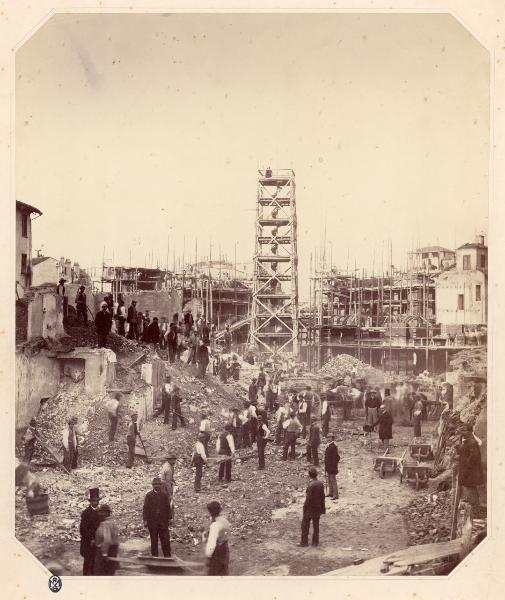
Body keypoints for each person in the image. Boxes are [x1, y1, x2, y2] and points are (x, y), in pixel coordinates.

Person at [143, 477, 172, 557]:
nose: (157, 486)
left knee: (165, 540)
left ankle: (167, 556)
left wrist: (170, 518)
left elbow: (168, 507)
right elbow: (145, 508)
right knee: (154, 540)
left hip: (163, 522)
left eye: (158, 484)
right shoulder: (148, 495)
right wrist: (145, 520)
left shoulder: (164, 495)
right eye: (155, 484)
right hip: (152, 523)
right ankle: (155, 557)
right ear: (152, 485)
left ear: (161, 485)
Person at [299, 466, 326, 547]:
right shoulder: (320, 484)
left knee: (305, 525)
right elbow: (322, 497)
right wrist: (323, 508)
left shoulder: (310, 485)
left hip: (309, 508)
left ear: (309, 475)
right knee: (316, 526)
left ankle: (304, 542)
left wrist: (305, 507)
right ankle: (315, 542)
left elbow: (308, 498)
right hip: (317, 508)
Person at [459, 431, 484, 510]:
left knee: (471, 488)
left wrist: (466, 465)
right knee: (470, 488)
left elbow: (473, 457)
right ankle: (474, 507)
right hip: (468, 471)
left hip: (470, 471)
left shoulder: (471, 444)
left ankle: (475, 509)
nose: (462, 440)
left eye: (463, 438)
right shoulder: (469, 443)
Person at [79, 487, 101, 575]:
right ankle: (85, 578)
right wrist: (91, 539)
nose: (95, 503)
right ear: (90, 502)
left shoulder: (100, 512)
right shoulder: (86, 513)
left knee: (95, 562)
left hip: (97, 542)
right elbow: (82, 529)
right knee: (87, 561)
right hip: (87, 542)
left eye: (97, 501)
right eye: (94, 501)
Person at [205, 501, 230, 576]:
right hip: (225, 549)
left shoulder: (215, 525)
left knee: (214, 574)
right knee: (224, 571)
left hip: (217, 552)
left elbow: (211, 544)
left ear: (210, 512)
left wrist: (208, 556)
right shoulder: (225, 520)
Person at [93, 504, 120, 575]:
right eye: (100, 512)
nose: (100, 514)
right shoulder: (113, 523)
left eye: (102, 512)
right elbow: (116, 538)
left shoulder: (105, 524)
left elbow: (107, 540)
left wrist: (104, 554)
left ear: (107, 513)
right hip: (113, 550)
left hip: (105, 551)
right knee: (110, 571)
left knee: (101, 573)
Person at [324, 435, 341, 501]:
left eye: (330, 437)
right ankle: (331, 493)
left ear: (332, 438)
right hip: (328, 466)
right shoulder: (328, 445)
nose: (328, 439)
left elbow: (336, 458)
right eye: (327, 437)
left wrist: (333, 466)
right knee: (329, 480)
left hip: (332, 466)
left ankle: (336, 495)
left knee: (333, 480)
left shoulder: (334, 446)